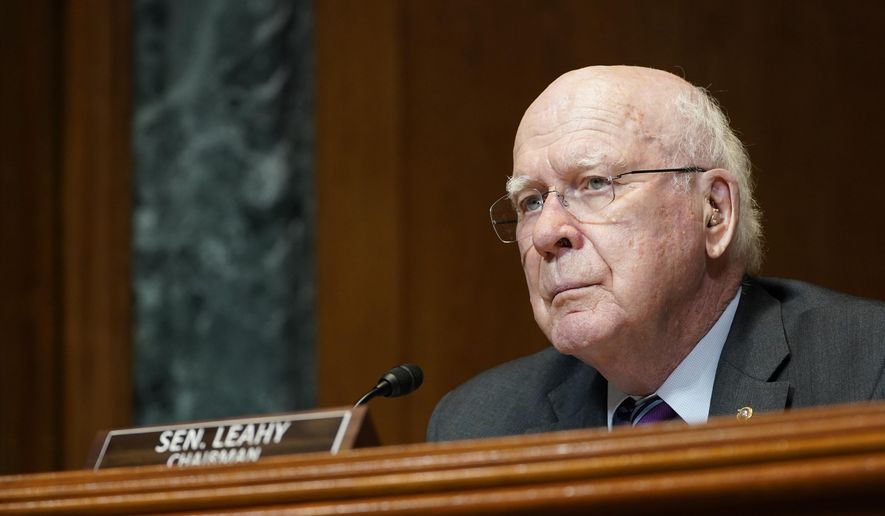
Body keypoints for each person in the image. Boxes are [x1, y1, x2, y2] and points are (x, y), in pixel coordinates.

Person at [426, 65, 885, 441]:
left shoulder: (866, 372)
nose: (546, 232)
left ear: (714, 212)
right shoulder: (477, 424)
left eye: (595, 184)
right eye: (530, 201)